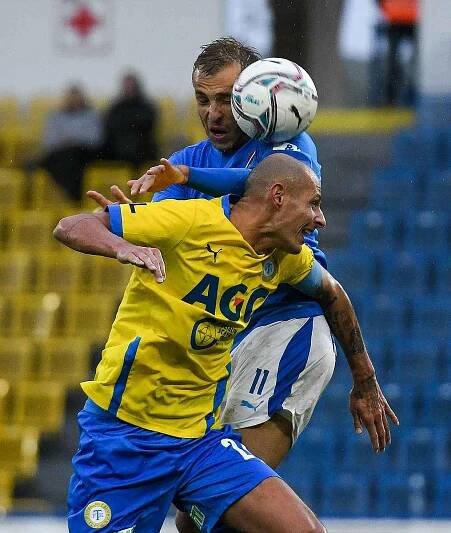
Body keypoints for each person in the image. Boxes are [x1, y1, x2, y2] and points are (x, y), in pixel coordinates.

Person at [89, 37, 398, 531]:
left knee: (215, 517)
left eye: (228, 98)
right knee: (195, 518)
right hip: (221, 341)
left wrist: (365, 380)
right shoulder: (183, 163)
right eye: (202, 99)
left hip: (287, 330)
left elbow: (324, 283)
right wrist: (125, 233)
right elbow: (173, 240)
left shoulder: (285, 147)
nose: (214, 113)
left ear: (256, 95)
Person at [54, 154, 348, 532]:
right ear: (278, 196)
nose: (320, 218)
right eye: (314, 203)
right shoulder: (187, 221)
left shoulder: (284, 258)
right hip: (126, 439)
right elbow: (69, 226)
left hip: (199, 444)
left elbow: (332, 292)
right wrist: (124, 248)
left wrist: (365, 378)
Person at [39, 84, 101, 201]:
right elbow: (49, 141)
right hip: (60, 152)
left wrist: (73, 140)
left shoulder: (91, 115)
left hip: (82, 153)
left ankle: (74, 196)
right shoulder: (56, 116)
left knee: (71, 162)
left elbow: (95, 138)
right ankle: (73, 195)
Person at [100, 72, 158, 167]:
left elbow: (147, 125)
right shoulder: (116, 106)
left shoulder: (146, 106)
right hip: (118, 145)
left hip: (140, 146)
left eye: (131, 86)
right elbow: (109, 125)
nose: (129, 88)